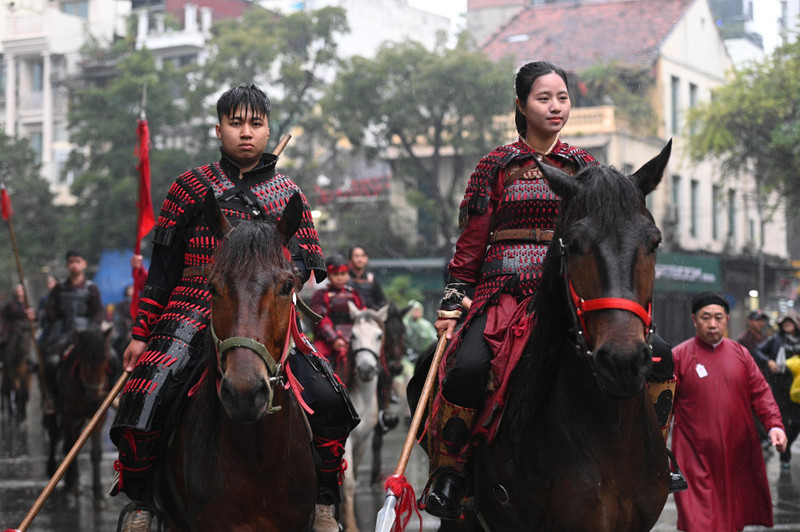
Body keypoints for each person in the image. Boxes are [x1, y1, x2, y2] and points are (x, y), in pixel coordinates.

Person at [109, 84, 359, 532]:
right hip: (191, 305)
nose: (246, 133)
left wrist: (279, 278)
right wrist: (141, 334)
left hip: (266, 311)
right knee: (146, 391)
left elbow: (304, 261)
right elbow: (162, 270)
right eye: (236, 123)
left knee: (329, 398)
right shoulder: (189, 188)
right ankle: (142, 503)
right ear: (219, 128)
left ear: (267, 130)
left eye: (256, 124)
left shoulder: (288, 194)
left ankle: (322, 502)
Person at [422, 61, 601, 519]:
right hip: (501, 294)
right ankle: (450, 473)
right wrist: (449, 305)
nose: (556, 106)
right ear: (520, 106)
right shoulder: (494, 167)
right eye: (544, 98)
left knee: (650, 352)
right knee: (465, 368)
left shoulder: (588, 168)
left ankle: (655, 454)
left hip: (569, 297)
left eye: (562, 97)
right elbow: (469, 251)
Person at [671, 292, 787, 532]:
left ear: (726, 319)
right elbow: (662, 408)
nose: (712, 324)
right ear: (694, 320)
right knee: (699, 521)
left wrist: (774, 426)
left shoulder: (741, 354)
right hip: (693, 456)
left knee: (732, 519)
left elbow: (761, 394)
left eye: (718, 317)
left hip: (737, 454)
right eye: (706, 317)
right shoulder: (679, 356)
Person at [42, 251, 103, 395]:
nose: (74, 265)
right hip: (64, 334)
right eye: (71, 262)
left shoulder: (92, 288)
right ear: (67, 265)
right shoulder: (59, 288)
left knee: (111, 357)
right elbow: (51, 312)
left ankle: (108, 392)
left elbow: (98, 313)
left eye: (77, 261)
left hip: (87, 336)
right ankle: (52, 398)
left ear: (84, 264)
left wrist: (90, 332)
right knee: (51, 362)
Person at [754, 311, 800, 469]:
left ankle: (787, 444)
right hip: (780, 386)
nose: (787, 325)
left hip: (798, 388)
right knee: (783, 422)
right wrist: (769, 361)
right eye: (785, 322)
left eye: (790, 322)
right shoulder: (776, 339)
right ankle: (784, 456)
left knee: (797, 423)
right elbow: (758, 350)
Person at [309, 254, 366, 373]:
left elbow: (363, 316)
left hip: (353, 339)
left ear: (348, 274)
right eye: (335, 274)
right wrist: (334, 339)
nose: (340, 278)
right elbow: (320, 319)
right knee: (315, 365)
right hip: (327, 342)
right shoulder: (321, 295)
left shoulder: (354, 294)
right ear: (329, 275)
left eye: (343, 274)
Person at [737, 309, 771, 445]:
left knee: (764, 405)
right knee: (752, 408)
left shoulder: (765, 338)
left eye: (762, 320)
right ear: (750, 321)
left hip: (765, 377)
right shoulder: (743, 339)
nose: (760, 323)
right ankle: (761, 436)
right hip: (749, 379)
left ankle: (764, 434)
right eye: (757, 320)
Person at [347, 245, 386, 310]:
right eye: (356, 256)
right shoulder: (345, 279)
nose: (360, 259)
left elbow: (382, 301)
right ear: (350, 259)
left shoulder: (372, 279)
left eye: (363, 256)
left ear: (367, 258)